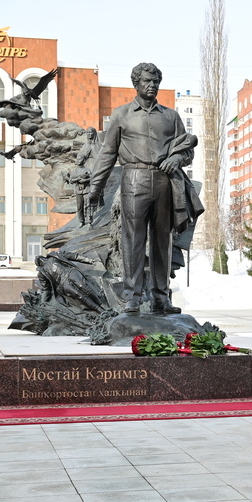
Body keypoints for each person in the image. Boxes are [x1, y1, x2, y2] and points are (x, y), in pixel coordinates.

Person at [85, 63, 196, 315]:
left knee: (162, 241)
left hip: (165, 180)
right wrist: (96, 188)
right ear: (136, 83)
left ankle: (160, 297)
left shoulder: (171, 117)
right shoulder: (121, 114)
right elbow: (107, 154)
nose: (152, 85)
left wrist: (177, 159)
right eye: (147, 80)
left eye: (156, 81)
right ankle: (132, 298)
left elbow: (186, 149)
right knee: (133, 240)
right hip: (134, 179)